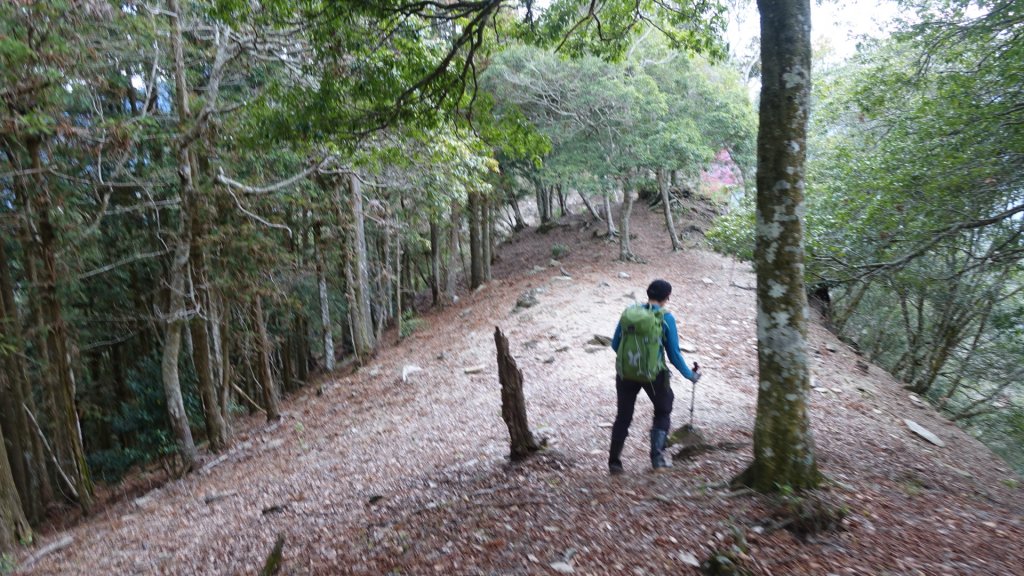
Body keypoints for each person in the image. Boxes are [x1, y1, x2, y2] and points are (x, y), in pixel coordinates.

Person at [609, 279, 700, 474]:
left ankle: (614, 463)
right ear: (667, 298)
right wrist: (690, 375)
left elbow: (615, 344)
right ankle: (657, 460)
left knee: (623, 416)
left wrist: (633, 363)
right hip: (653, 375)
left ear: (648, 293)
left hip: (626, 373)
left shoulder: (630, 313)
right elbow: (674, 354)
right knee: (663, 409)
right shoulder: (665, 318)